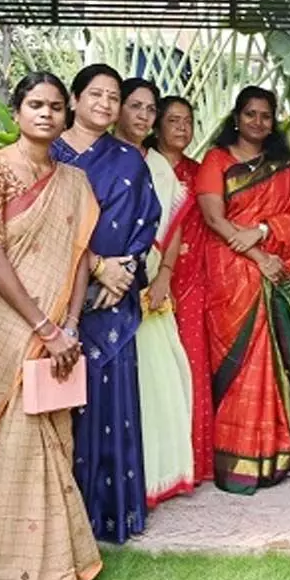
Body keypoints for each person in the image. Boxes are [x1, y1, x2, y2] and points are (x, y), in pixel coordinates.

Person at [0, 72, 103, 580]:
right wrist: (45, 328)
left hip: (58, 331)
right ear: (18, 111)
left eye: (54, 106)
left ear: (65, 114)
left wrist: (69, 326)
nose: (45, 114)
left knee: (54, 438)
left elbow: (81, 254)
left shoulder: (74, 180)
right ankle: (8, 578)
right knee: (16, 441)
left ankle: (61, 565)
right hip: (11, 327)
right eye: (34, 105)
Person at [50, 64, 160, 544]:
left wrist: (123, 273)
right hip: (53, 296)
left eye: (113, 97)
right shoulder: (46, 154)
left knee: (108, 405)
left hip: (112, 303)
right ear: (74, 99)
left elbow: (145, 221)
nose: (105, 104)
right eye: (95, 94)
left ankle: (109, 515)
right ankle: (57, 516)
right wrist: (97, 265)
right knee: (54, 405)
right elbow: (42, 229)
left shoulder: (129, 159)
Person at [191, 86, 290, 494]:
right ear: (237, 117)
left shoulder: (288, 168)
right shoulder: (217, 159)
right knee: (239, 365)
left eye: (266, 116)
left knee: (276, 362)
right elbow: (213, 217)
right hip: (231, 273)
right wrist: (257, 254)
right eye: (250, 114)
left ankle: (278, 452)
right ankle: (237, 456)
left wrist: (262, 232)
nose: (258, 123)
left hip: (271, 269)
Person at [115, 78, 195, 509]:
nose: (144, 116)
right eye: (135, 107)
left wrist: (163, 275)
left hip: (152, 285)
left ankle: (155, 475)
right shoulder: (103, 158)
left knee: (160, 378)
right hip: (106, 281)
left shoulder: (160, 166)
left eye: (150, 109)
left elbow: (175, 226)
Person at [148, 95, 213, 483]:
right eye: (173, 120)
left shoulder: (200, 172)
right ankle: (158, 464)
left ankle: (194, 461)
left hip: (192, 283)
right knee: (155, 374)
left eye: (188, 121)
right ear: (158, 125)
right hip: (149, 282)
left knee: (191, 369)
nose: (182, 128)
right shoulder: (142, 166)